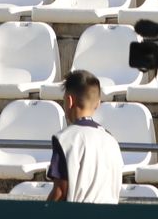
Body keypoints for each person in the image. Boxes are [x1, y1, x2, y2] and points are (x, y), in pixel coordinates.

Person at [47, 69, 124, 204]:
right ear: (98, 104)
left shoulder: (65, 139)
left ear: (69, 101)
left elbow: (60, 191)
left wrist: (41, 215)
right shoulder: (112, 140)